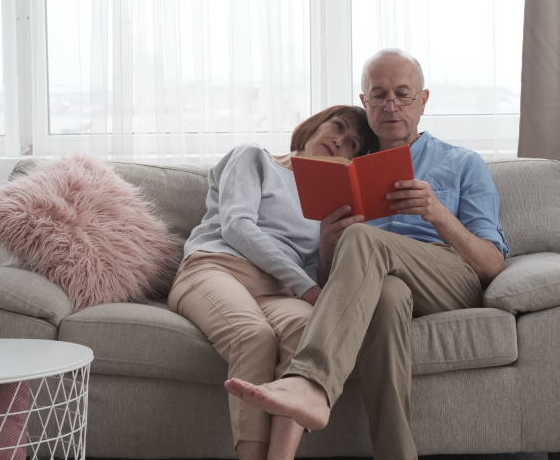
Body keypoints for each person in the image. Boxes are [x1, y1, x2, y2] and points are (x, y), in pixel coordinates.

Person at [225, 48, 510, 460]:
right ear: (365, 102)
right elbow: (332, 285)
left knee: (363, 239)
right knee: (388, 294)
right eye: (379, 95)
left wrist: (439, 215)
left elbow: (491, 264)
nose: (390, 105)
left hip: (447, 276)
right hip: (384, 284)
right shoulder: (346, 163)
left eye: (402, 94)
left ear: (423, 101)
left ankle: (310, 382)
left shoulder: (462, 163)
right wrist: (325, 245)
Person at [167, 105, 378, 460]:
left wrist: (326, 247)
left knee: (309, 330)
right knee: (255, 336)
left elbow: (314, 278)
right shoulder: (253, 158)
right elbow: (237, 225)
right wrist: (306, 286)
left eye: (352, 144)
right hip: (216, 267)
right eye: (337, 127)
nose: (339, 141)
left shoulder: (329, 202)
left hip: (280, 290)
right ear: (314, 125)